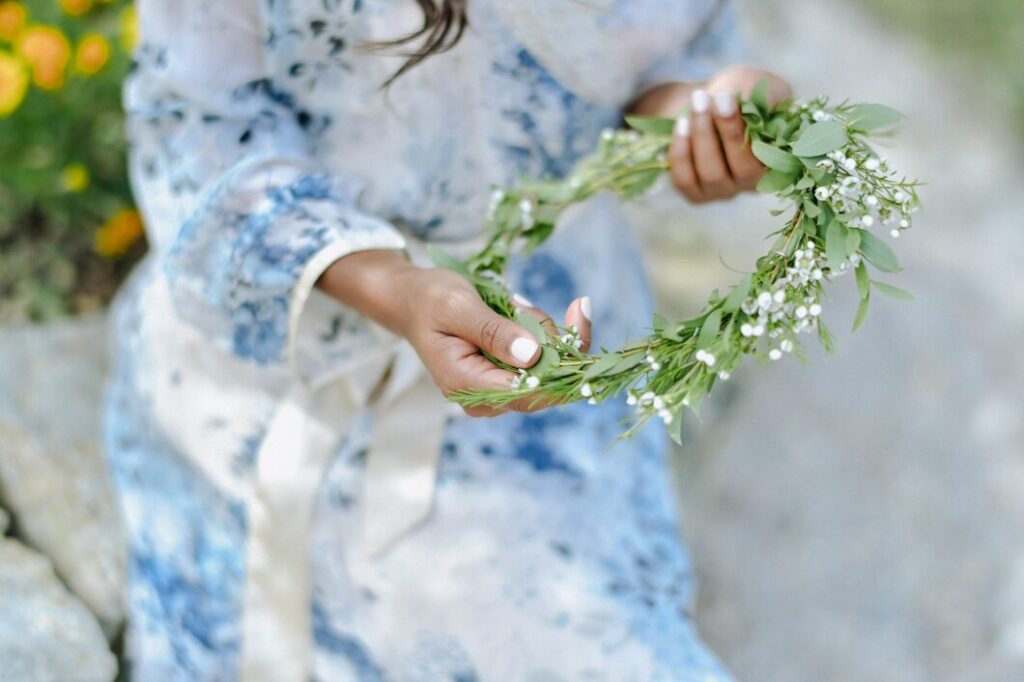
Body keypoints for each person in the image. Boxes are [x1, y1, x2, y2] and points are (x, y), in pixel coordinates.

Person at [106, 0, 791, 678]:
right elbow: (195, 122)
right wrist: (398, 288)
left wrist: (702, 118)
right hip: (276, 344)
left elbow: (642, 66)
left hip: (547, 360)